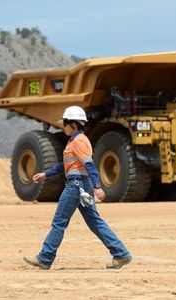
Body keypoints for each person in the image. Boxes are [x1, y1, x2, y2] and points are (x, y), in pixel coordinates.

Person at [23, 106, 132, 270]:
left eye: (65, 124)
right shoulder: (74, 141)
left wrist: (97, 187)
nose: (63, 127)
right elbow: (66, 164)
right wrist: (46, 174)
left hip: (76, 186)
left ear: (73, 124)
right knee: (95, 222)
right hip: (81, 185)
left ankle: (45, 258)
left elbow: (89, 164)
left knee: (59, 222)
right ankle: (121, 254)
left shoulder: (79, 141)